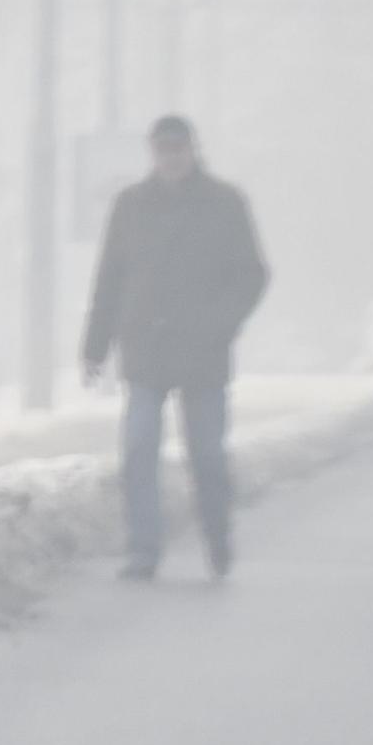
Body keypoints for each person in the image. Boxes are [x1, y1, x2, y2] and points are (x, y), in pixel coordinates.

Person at [79, 115, 270, 579]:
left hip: (203, 354)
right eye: (163, 150)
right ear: (153, 153)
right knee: (139, 450)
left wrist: (219, 323)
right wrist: (95, 346)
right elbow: (110, 279)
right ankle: (144, 549)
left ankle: (217, 538)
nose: (171, 158)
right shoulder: (130, 206)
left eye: (178, 149)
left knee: (206, 455)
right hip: (145, 349)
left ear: (192, 150)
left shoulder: (224, 204)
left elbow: (253, 274)